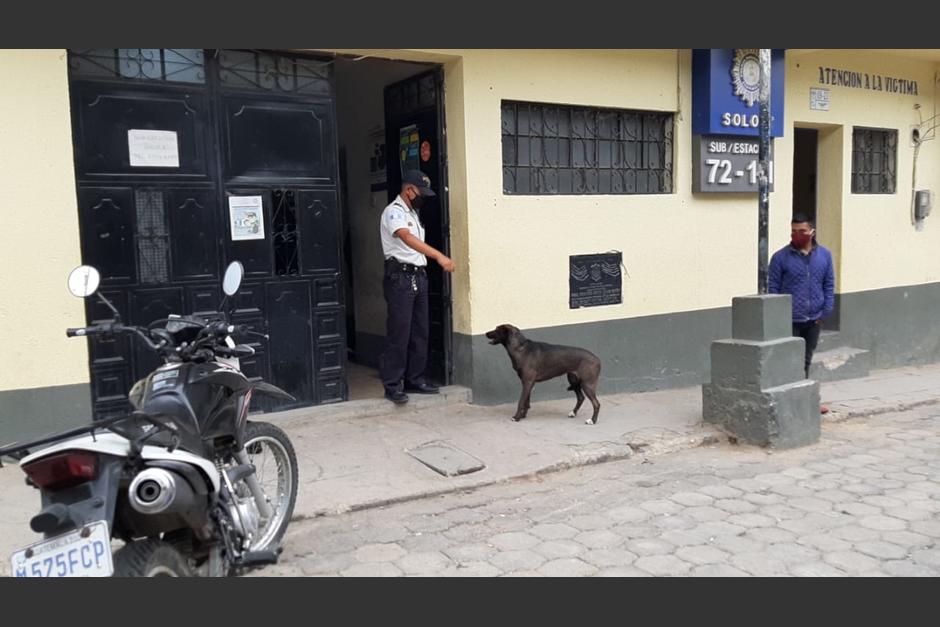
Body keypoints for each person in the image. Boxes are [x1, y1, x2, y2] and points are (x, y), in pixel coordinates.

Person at [378, 169, 455, 404]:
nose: (422, 197)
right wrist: (439, 257)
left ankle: (415, 379)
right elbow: (407, 239)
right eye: (420, 192)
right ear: (408, 189)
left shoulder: (413, 213)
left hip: (418, 278)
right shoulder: (394, 212)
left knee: (420, 332)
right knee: (399, 334)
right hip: (400, 279)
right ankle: (392, 385)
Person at [768, 212, 835, 414]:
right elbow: (773, 289)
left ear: (812, 232)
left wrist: (825, 310)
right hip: (790, 320)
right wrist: (778, 316)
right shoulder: (780, 258)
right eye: (794, 231)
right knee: (788, 361)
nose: (797, 235)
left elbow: (829, 284)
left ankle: (805, 401)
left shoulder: (824, 255)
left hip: (814, 319)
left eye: (802, 231)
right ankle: (786, 403)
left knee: (806, 360)